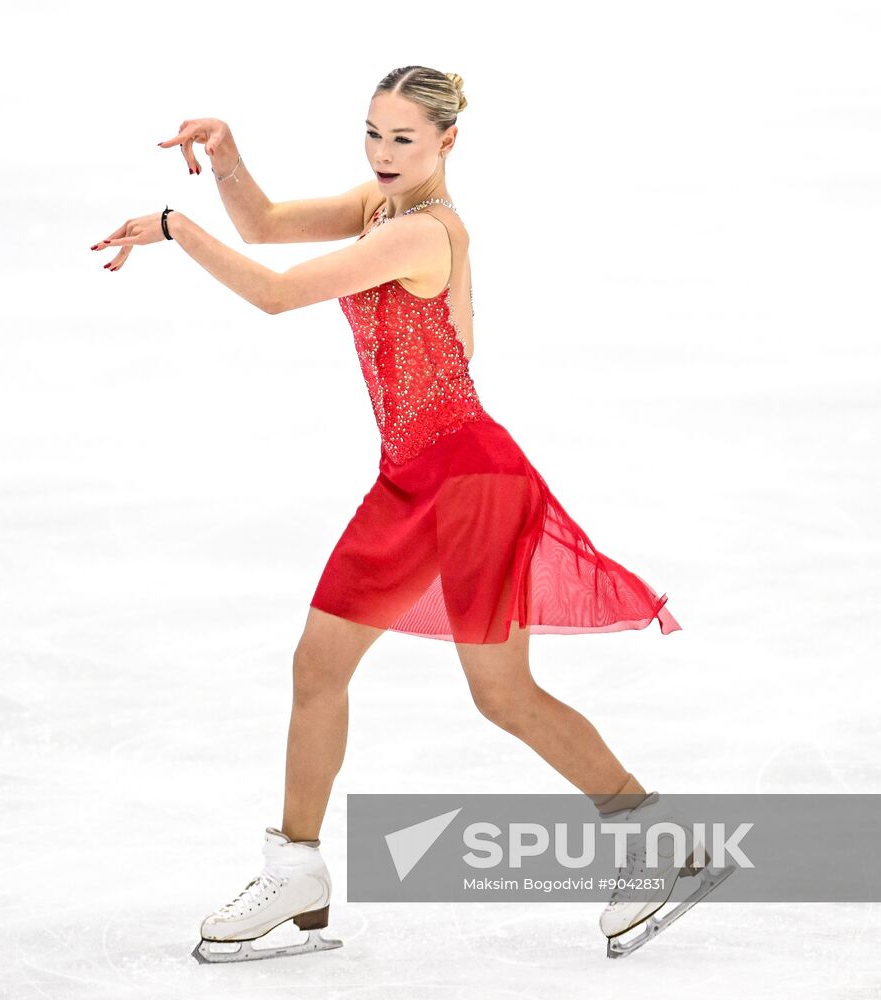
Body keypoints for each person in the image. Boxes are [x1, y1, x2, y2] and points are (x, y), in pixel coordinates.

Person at [93, 66, 705, 963]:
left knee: (502, 695)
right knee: (318, 665)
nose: (382, 155)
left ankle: (656, 839)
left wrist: (176, 228)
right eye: (372, 134)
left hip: (471, 482)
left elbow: (274, 293)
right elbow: (263, 227)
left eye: (403, 140)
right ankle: (295, 867)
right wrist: (225, 159)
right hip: (408, 479)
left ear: (447, 143)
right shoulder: (377, 209)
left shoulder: (422, 233)